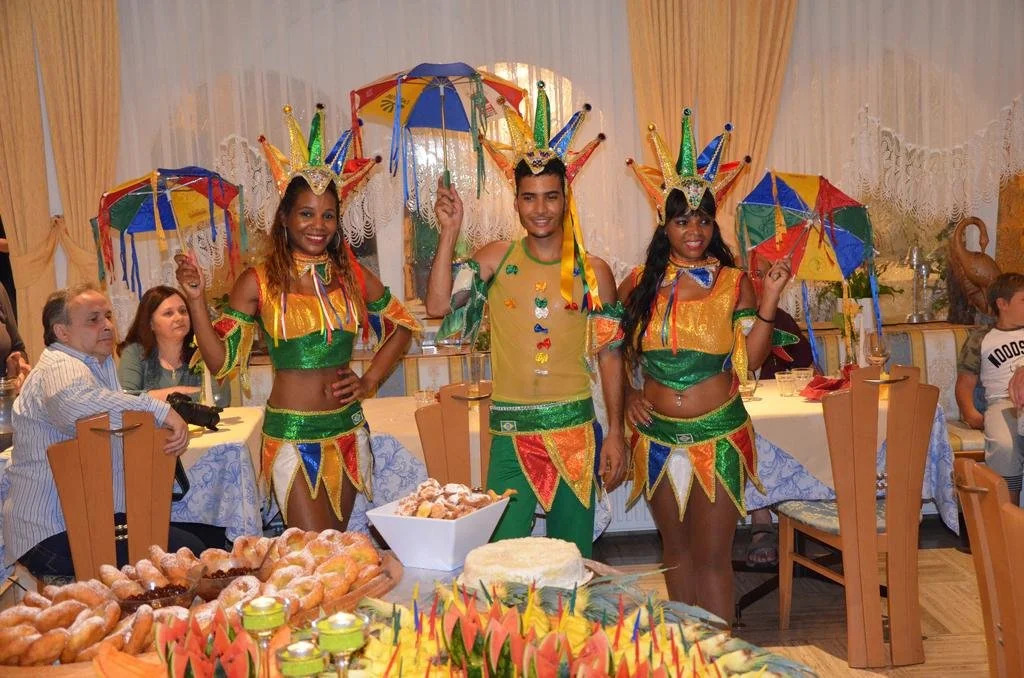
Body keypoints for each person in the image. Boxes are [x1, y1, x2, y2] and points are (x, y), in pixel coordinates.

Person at [176, 105, 418, 531]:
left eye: (328, 215)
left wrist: (369, 381)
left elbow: (403, 326)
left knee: (336, 547)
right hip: (292, 431)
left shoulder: (351, 275)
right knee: (310, 544)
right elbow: (220, 362)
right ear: (285, 218)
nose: (317, 225)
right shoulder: (258, 281)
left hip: (347, 428)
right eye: (306, 213)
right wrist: (195, 301)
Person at [426, 83, 625, 558]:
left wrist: (616, 431)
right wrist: (449, 233)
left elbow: (611, 357)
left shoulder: (594, 271)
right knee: (502, 558)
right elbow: (437, 305)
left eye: (550, 196)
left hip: (574, 431)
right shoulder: (495, 259)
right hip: (509, 433)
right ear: (515, 202)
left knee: (571, 558)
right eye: (529, 197)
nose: (540, 209)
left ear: (565, 198)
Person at [620, 109, 794, 622]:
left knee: (714, 560)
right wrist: (628, 394)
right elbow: (613, 351)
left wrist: (770, 297)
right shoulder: (638, 282)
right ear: (664, 224)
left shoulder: (733, 281)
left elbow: (752, 360)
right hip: (654, 437)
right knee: (675, 556)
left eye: (702, 219)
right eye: (682, 220)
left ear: (713, 223)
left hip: (718, 436)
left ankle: (719, 654)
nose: (694, 230)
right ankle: (683, 653)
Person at [2, 283, 197, 577]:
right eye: (93, 320)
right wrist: (161, 410)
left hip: (80, 524)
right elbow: (77, 408)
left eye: (108, 316)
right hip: (55, 533)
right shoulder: (61, 365)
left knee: (195, 543)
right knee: (190, 556)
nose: (107, 325)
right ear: (62, 332)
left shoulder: (93, 364)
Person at [745, 251, 815, 566]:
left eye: (762, 274)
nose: (755, 282)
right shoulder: (719, 322)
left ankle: (800, 515)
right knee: (747, 433)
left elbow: (809, 372)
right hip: (739, 420)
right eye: (747, 274)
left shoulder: (783, 321)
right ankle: (761, 521)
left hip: (785, 420)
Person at [956, 272, 1024, 505]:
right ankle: (1009, 514)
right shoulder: (981, 338)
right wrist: (970, 413)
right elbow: (965, 383)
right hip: (1003, 403)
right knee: (1005, 446)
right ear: (1002, 304)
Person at [116, 285, 203, 401]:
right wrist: (186, 391)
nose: (179, 318)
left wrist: (151, 396)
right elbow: (127, 399)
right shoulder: (135, 353)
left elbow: (218, 397)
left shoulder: (201, 352)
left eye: (183, 311)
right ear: (150, 323)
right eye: (168, 313)